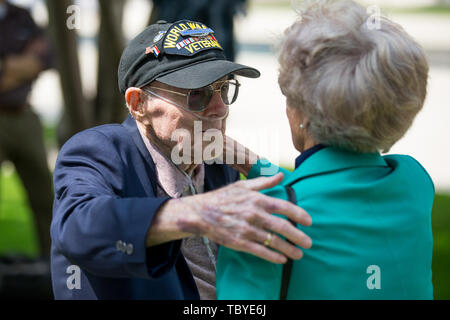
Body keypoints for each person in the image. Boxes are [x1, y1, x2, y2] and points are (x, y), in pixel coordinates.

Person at [50, 20, 312, 300]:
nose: (220, 108)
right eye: (197, 95)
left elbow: (308, 213)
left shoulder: (219, 165)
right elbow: (76, 227)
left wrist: (250, 162)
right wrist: (195, 213)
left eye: (223, 89)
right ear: (139, 103)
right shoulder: (100, 150)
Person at [217, 0, 434, 299]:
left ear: (305, 113)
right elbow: (333, 194)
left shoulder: (263, 216)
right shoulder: (413, 181)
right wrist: (248, 161)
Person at [0, 0, 53, 263]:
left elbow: (45, 57)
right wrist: (21, 65)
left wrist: (5, 68)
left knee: (45, 196)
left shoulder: (21, 15)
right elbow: (31, 63)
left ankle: (54, 266)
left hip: (23, 114)